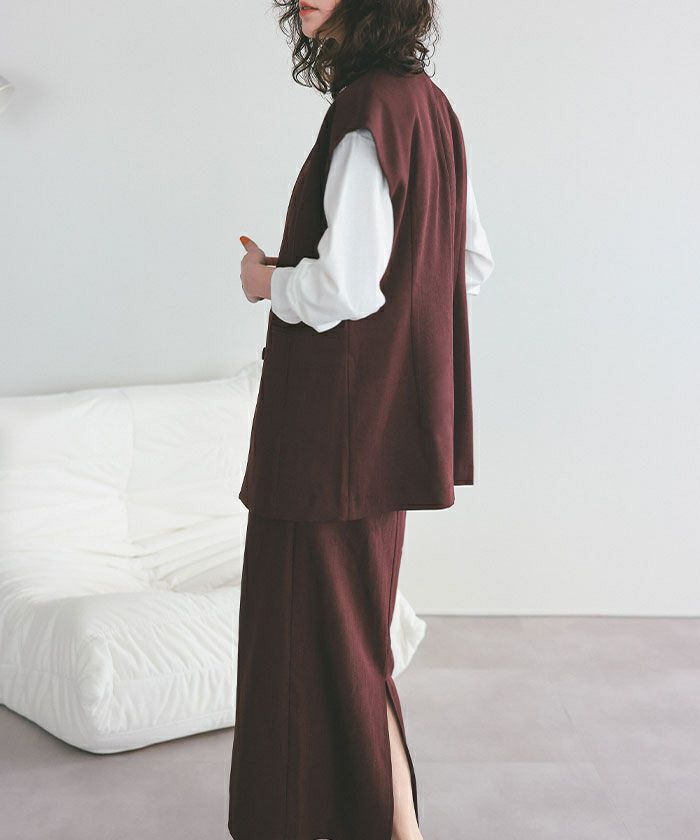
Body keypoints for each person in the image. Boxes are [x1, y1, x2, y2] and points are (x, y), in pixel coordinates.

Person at [229, 2, 494, 838]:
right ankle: (395, 825)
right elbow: (465, 263)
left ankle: (392, 828)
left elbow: (346, 286)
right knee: (350, 642)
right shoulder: (428, 106)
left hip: (325, 437)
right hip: (379, 430)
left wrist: (270, 282)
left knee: (322, 643)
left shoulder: (365, 111)